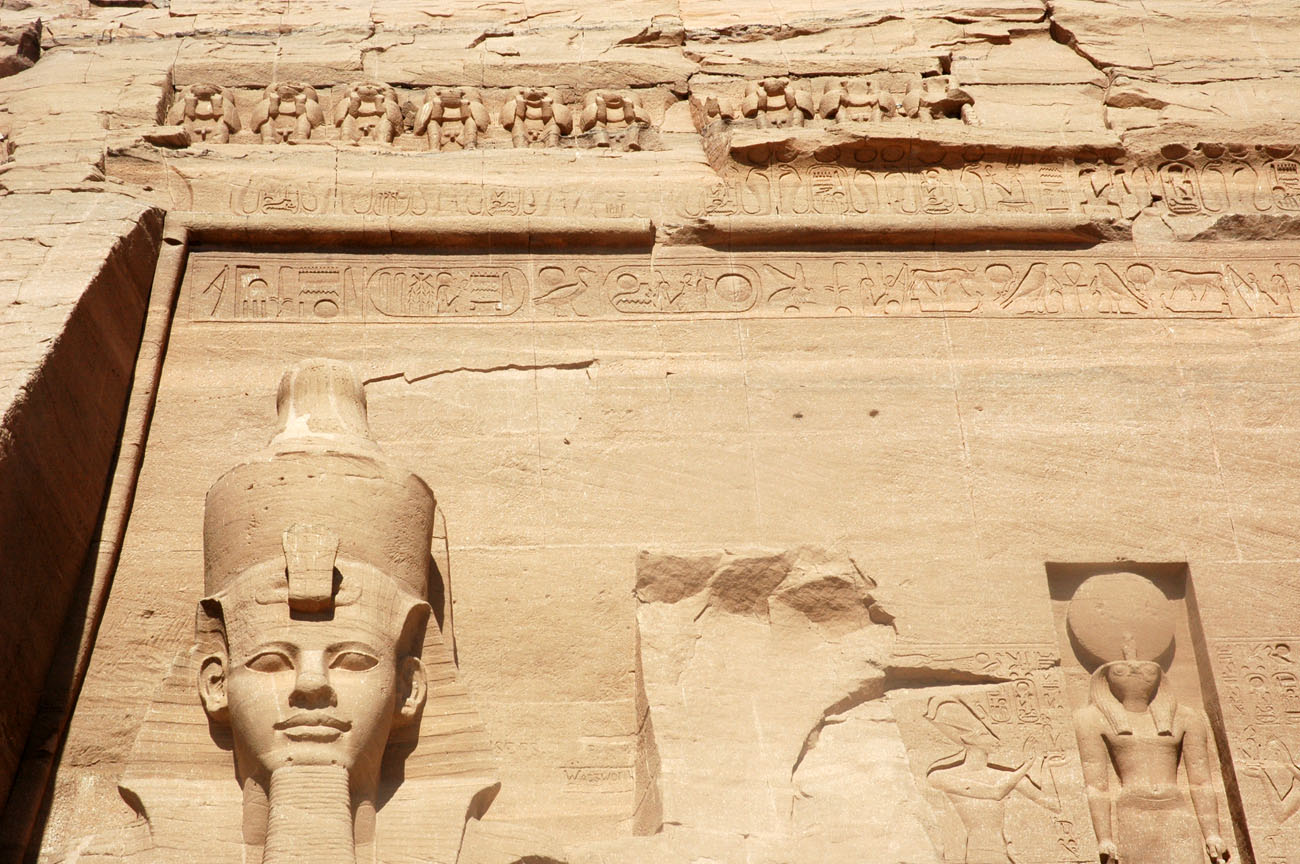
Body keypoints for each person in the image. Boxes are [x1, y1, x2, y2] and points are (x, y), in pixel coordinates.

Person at [1074, 658, 1229, 864]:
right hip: (1132, 812)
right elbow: (1096, 786)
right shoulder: (1090, 718)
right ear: (1105, 678)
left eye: (1148, 670)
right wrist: (1105, 839)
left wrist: (1212, 834)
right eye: (1120, 671)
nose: (1135, 672)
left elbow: (1201, 782)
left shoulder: (1187, 716)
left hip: (1176, 811)